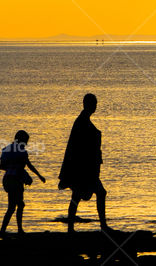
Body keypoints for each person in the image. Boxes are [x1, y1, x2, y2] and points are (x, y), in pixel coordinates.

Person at [58, 93, 110, 232]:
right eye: (94, 104)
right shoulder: (81, 122)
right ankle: (102, 226)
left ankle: (72, 227)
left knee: (78, 195)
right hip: (83, 168)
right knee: (93, 193)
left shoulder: (83, 121)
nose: (95, 107)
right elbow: (78, 147)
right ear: (87, 105)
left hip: (86, 168)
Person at [0, 130, 45, 237]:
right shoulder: (22, 152)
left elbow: (1, 166)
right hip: (16, 180)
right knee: (15, 206)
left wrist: (11, 167)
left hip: (7, 179)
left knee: (16, 205)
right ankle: (10, 231)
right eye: (26, 141)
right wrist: (39, 176)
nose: (27, 144)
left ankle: (8, 230)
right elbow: (28, 165)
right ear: (22, 140)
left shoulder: (6, 149)